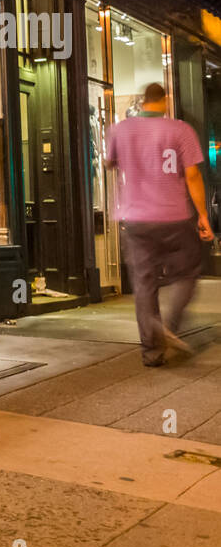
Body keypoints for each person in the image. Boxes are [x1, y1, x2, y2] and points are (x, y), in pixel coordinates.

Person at [105, 82, 214, 366]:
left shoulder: (120, 129)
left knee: (144, 284)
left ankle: (152, 352)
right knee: (188, 274)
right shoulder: (181, 130)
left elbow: (109, 163)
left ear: (142, 102)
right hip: (174, 217)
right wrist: (202, 215)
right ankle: (169, 324)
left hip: (137, 219)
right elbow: (192, 176)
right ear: (164, 100)